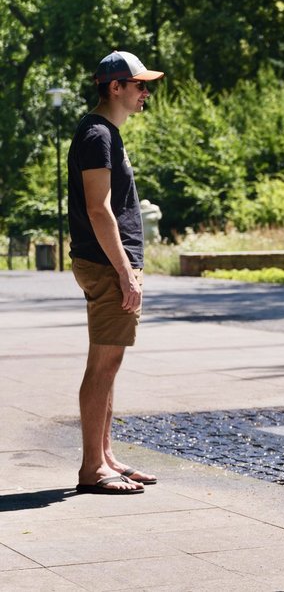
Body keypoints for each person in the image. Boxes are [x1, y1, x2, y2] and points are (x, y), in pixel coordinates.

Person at [68, 51, 164, 494]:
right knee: (103, 365)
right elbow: (98, 209)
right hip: (108, 266)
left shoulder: (106, 133)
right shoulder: (97, 135)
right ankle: (92, 468)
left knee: (109, 364)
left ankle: (105, 456)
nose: (146, 93)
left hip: (111, 264)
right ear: (115, 87)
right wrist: (124, 272)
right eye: (140, 85)